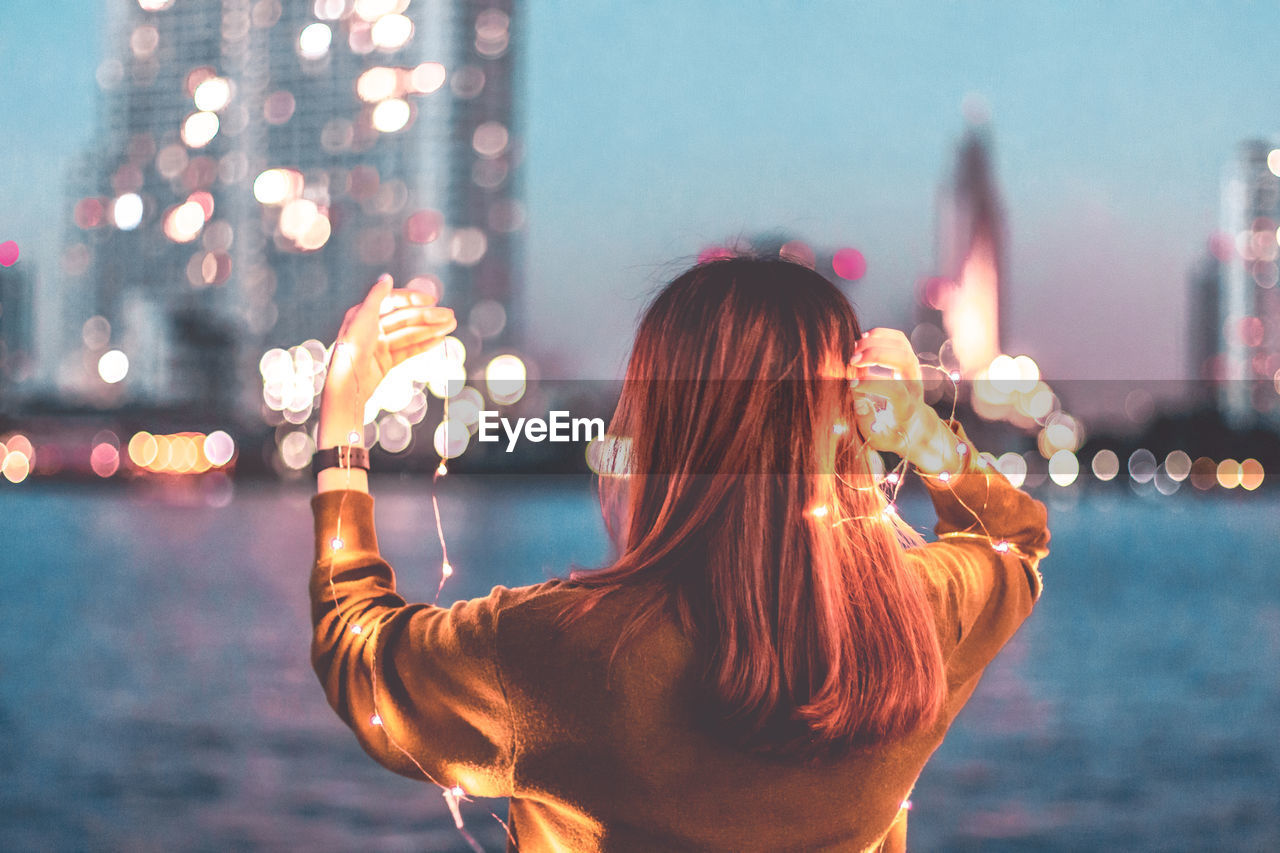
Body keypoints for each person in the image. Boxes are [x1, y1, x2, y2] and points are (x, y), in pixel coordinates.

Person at [310, 257, 1050, 852]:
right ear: (845, 416)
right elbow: (1015, 541)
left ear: (663, 422)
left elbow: (356, 649)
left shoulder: (564, 652)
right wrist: (918, 429)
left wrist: (342, 419)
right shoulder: (917, 623)